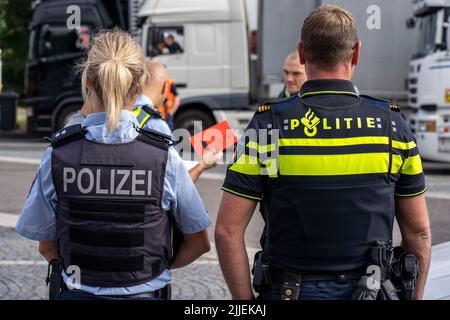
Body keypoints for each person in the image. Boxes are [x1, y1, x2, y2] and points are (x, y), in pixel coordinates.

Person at [215, 5, 431, 300]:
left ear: (302, 54)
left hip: (290, 290)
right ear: (356, 54)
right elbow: (418, 234)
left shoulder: (267, 126)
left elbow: (227, 230)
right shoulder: (392, 126)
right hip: (371, 290)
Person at [16, 30, 211, 300]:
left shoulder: (58, 154)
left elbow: (46, 245)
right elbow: (199, 243)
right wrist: (151, 269)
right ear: (139, 84)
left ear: (87, 82)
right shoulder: (164, 155)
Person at [67, 60, 220, 182]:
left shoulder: (109, 112)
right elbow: (177, 185)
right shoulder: (156, 124)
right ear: (165, 87)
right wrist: (203, 165)